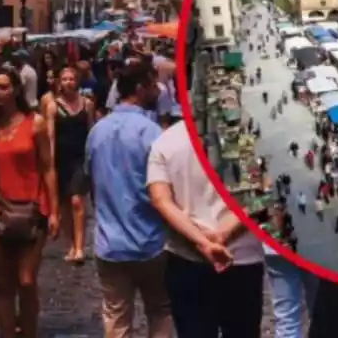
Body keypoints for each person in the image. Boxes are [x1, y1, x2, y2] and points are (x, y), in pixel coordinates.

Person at [0, 66, 58, 338]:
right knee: (4, 284)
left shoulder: (35, 123)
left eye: (3, 87)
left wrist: (53, 211)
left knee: (27, 281)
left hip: (33, 209)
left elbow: (47, 167)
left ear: (16, 90)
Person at [148, 121, 263, 337]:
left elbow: (160, 200)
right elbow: (263, 194)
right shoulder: (249, 135)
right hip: (242, 256)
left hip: (186, 257)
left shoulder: (166, 141)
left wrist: (201, 241)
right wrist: (224, 233)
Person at [85, 61, 173, 338]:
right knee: (160, 310)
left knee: (116, 315)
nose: (157, 90)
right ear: (139, 88)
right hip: (151, 241)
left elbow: (91, 182)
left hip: (109, 242)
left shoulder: (97, 130)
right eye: (152, 84)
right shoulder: (151, 133)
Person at [44, 67, 94, 264]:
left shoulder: (87, 104)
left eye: (71, 79)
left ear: (77, 81)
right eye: (64, 79)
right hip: (61, 160)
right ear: (59, 82)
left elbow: (91, 131)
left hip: (80, 158)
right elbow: (50, 136)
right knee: (64, 205)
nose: (68, 82)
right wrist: (49, 162)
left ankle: (80, 247)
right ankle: (71, 244)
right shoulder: (53, 106)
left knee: (77, 201)